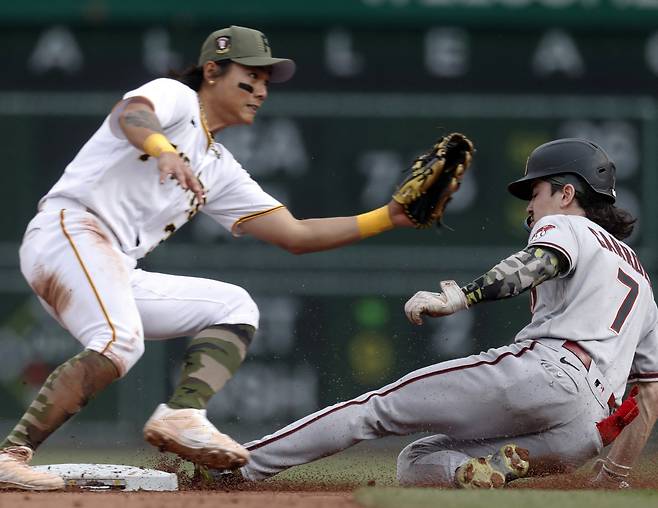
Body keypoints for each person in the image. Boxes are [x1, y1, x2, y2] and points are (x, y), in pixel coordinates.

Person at [0, 25, 417, 491]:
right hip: (70, 229)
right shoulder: (176, 98)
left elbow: (296, 234)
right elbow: (131, 115)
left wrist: (388, 217)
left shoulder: (217, 166)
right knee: (121, 341)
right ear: (212, 71)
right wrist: (162, 151)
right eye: (250, 77)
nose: (260, 90)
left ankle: (183, 414)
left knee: (234, 305)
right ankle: (10, 454)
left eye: (266, 82)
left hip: (113, 262)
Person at [218, 138, 658, 489]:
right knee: (417, 461)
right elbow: (650, 398)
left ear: (567, 193)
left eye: (536, 191)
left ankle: (236, 467)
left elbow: (538, 262)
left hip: (548, 373)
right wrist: (613, 476)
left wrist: (462, 297)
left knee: (374, 410)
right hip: (586, 430)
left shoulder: (567, 224)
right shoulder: (642, 283)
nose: (530, 205)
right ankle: (476, 471)